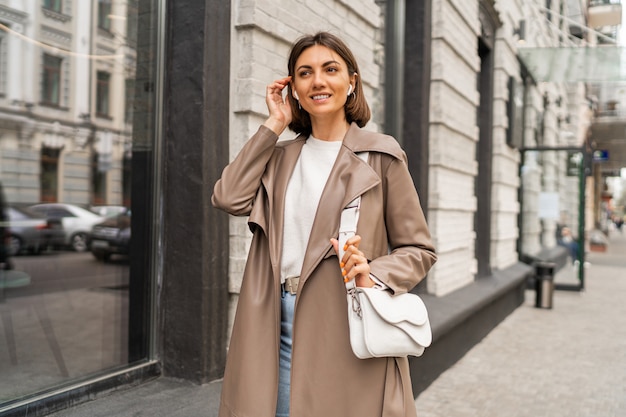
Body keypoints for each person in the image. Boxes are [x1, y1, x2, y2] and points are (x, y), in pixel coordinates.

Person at [212, 31, 437, 417]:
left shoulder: (380, 156)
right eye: (305, 73)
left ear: (351, 81)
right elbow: (229, 197)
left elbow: (419, 249)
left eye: (330, 69)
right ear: (294, 89)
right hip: (275, 321)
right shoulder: (279, 157)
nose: (318, 81)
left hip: (345, 320)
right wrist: (274, 123)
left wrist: (374, 271)